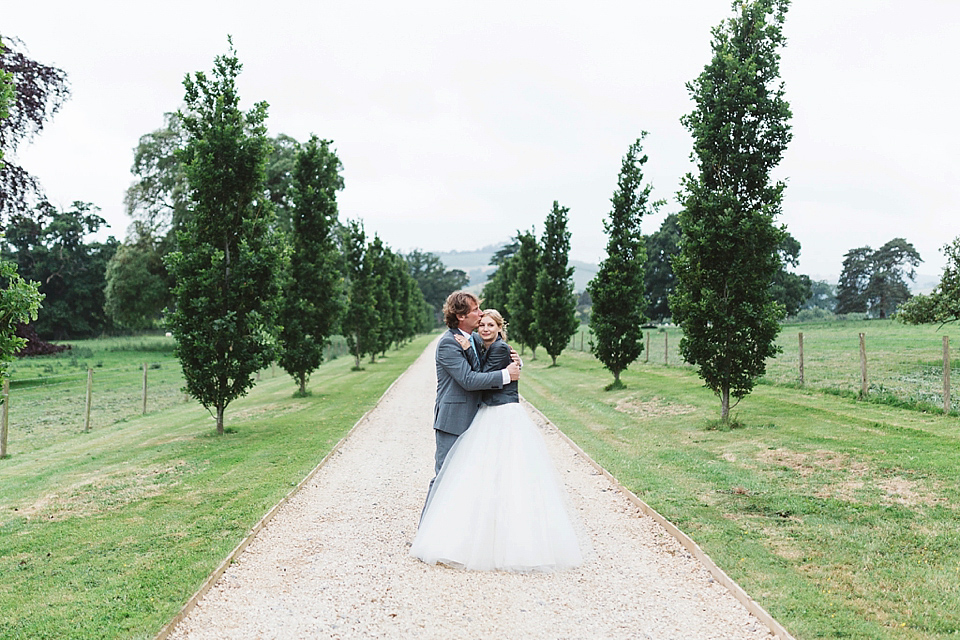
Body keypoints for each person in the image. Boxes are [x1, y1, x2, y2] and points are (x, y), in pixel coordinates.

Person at [412, 309, 583, 572]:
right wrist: (476, 351)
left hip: (501, 414)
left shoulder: (500, 349)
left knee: (501, 476)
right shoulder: (470, 343)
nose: (484, 328)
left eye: (490, 324)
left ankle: (496, 542)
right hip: (478, 413)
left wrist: (511, 366)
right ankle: (436, 532)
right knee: (457, 475)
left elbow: (481, 374)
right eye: (481, 323)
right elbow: (474, 374)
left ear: (500, 327)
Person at [426, 292, 520, 504]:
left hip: (478, 421)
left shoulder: (476, 339)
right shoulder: (448, 344)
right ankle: (426, 535)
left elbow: (499, 352)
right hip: (454, 421)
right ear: (460, 316)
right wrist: (507, 375)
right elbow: (468, 379)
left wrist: (516, 361)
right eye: (476, 310)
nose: (480, 313)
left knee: (472, 480)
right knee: (444, 478)